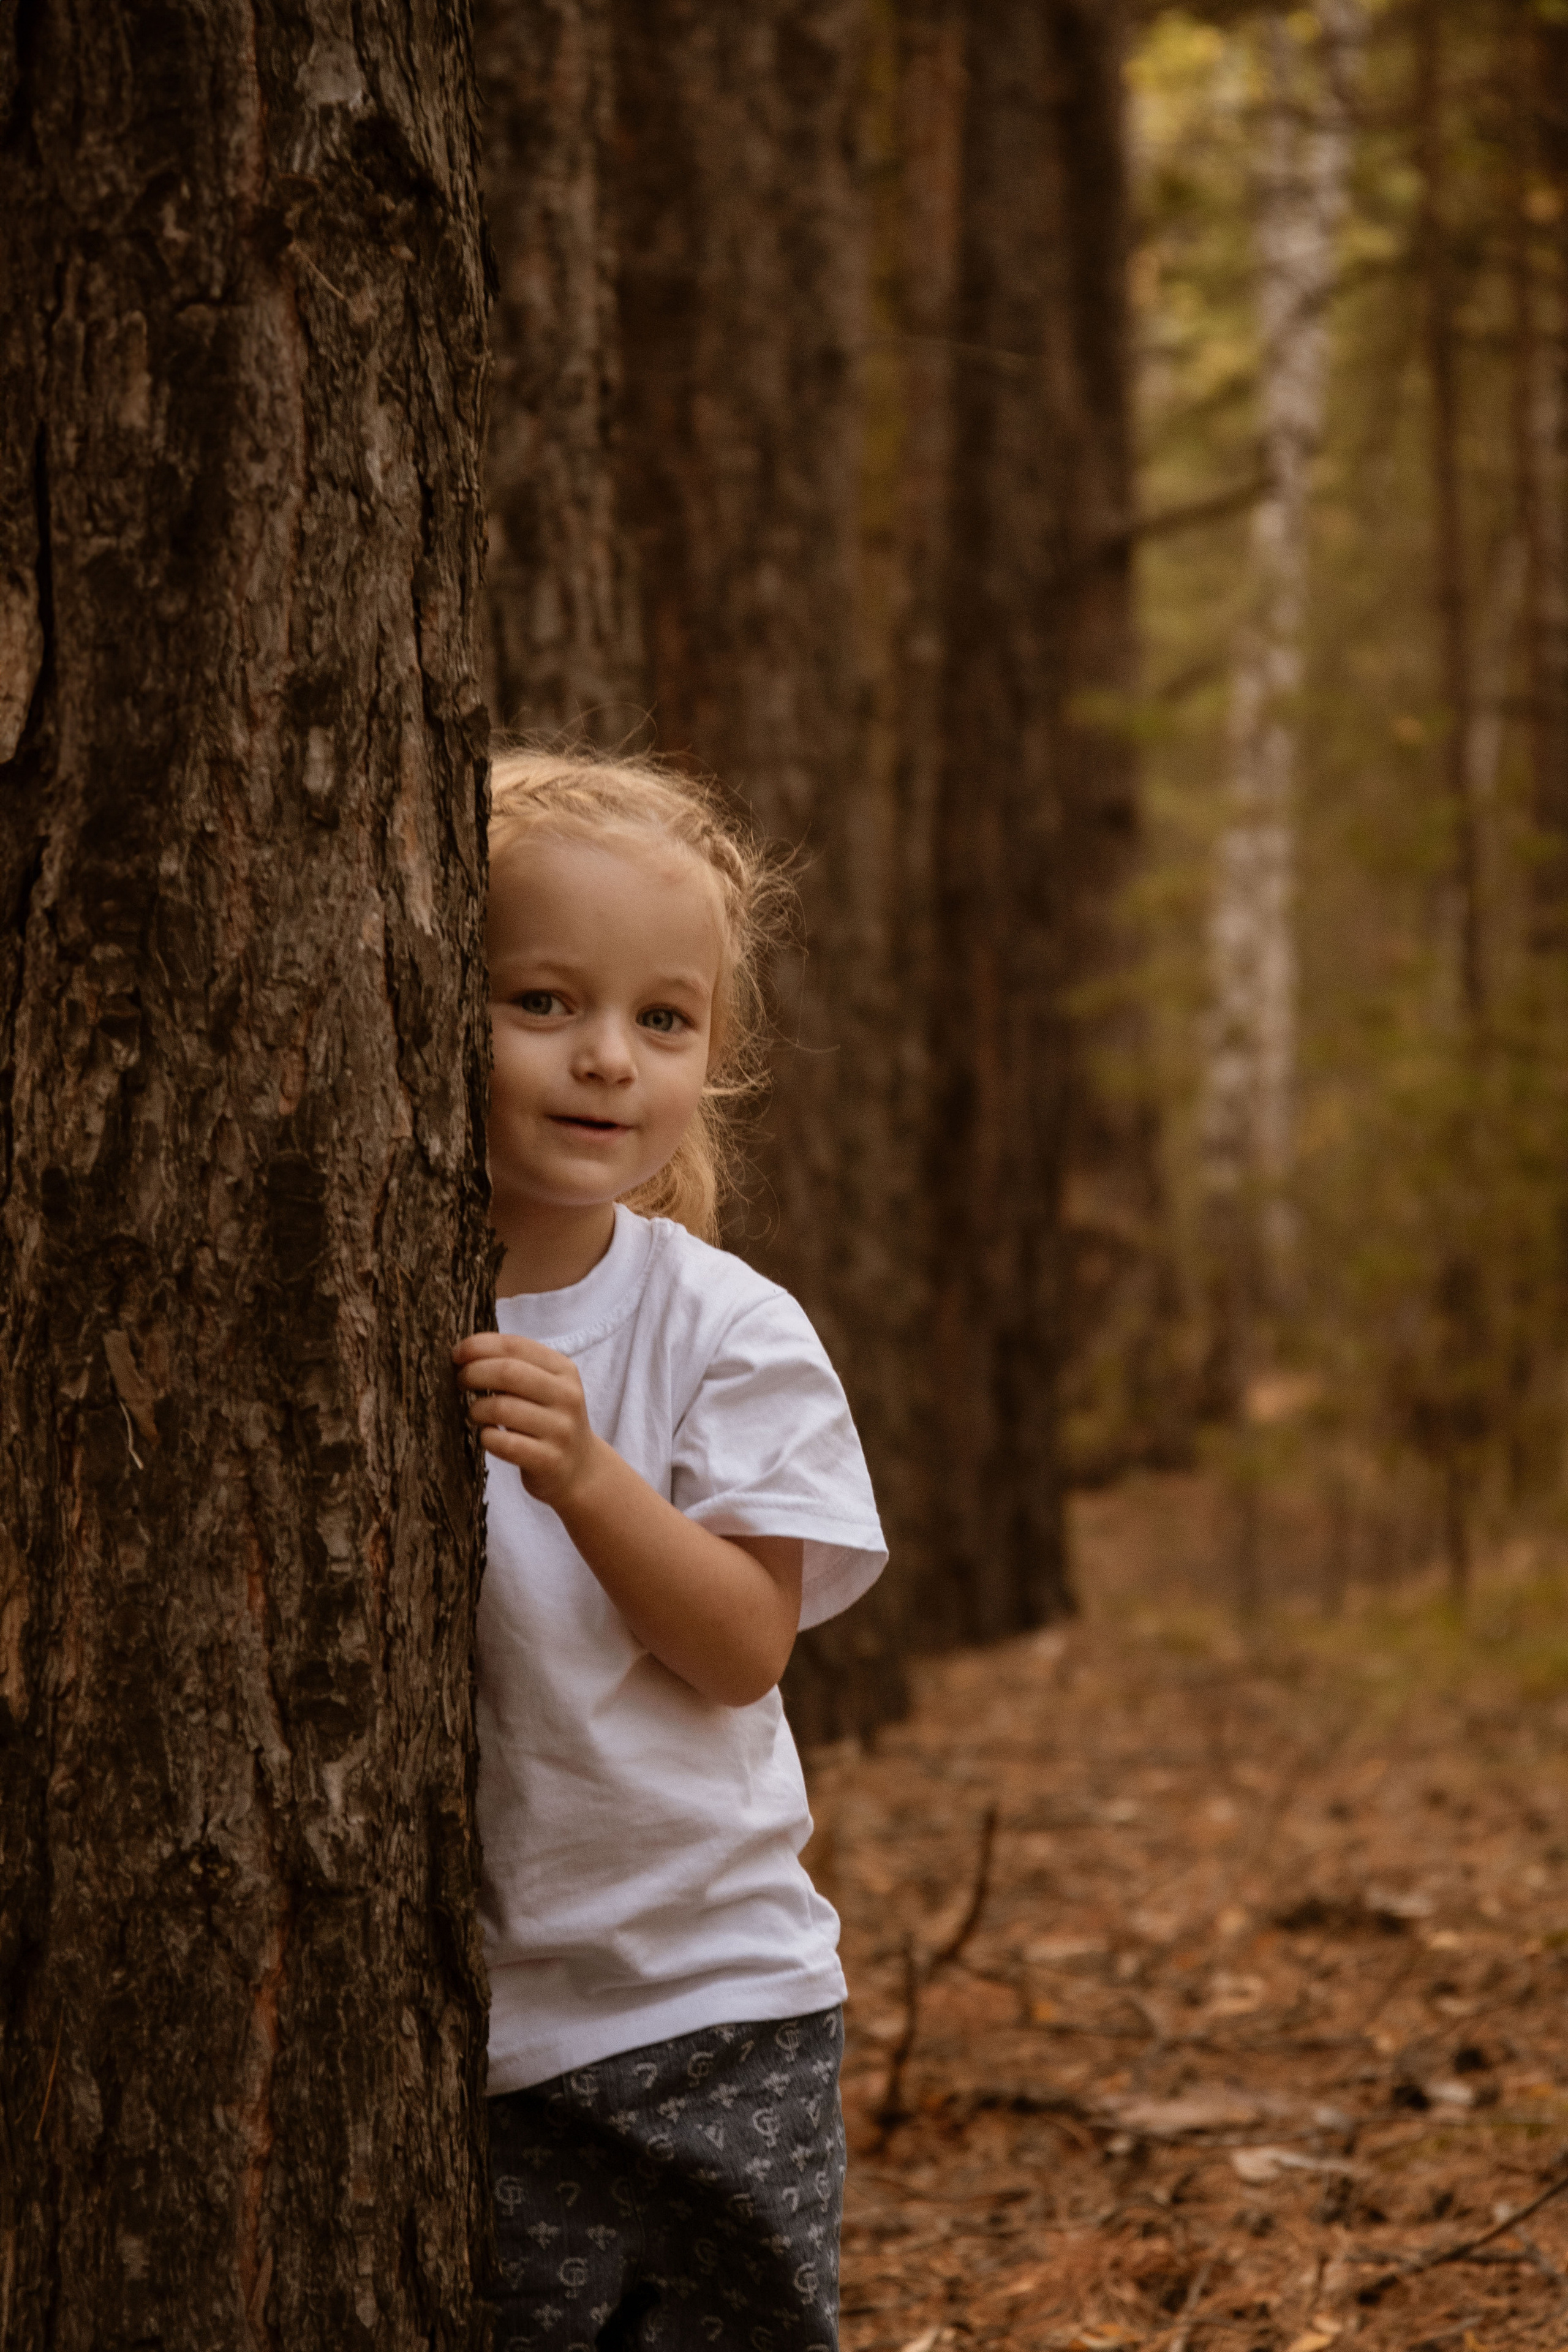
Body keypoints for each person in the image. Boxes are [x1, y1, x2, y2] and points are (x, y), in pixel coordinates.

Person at [452, 748, 887, 2352]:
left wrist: (588, 1476)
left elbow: (742, 1646)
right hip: (486, 2041)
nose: (606, 1062)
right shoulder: (370, 1293)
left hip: (718, 2002)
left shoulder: (722, 1328)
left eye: (663, 1020)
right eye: (544, 1001)